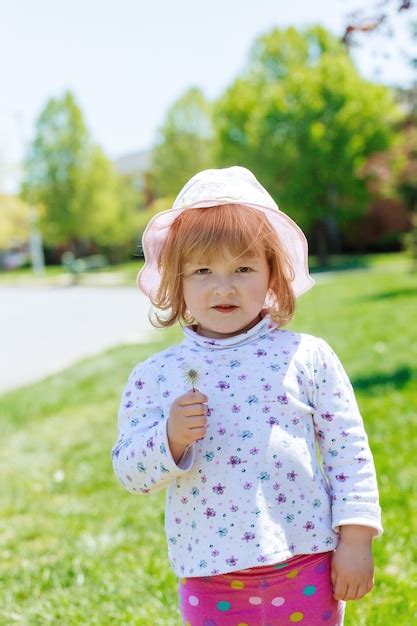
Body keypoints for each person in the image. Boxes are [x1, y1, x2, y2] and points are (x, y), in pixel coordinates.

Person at [111, 166, 382, 626]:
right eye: (202, 270)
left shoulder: (306, 356)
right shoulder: (157, 376)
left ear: (274, 274)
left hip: (306, 560)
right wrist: (169, 439)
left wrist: (355, 539)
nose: (223, 286)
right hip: (210, 574)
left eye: (243, 267)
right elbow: (130, 472)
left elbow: (347, 451)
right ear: (176, 281)